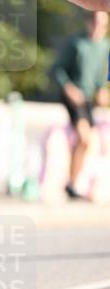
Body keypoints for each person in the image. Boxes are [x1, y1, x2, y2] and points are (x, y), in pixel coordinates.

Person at [52, 11, 109, 199]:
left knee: (91, 143)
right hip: (74, 97)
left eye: (103, 25)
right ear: (88, 23)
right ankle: (72, 183)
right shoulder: (76, 43)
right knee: (84, 138)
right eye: (96, 23)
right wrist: (68, 88)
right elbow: (57, 70)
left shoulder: (105, 47)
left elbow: (101, 76)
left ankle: (75, 183)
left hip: (89, 100)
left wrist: (101, 90)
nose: (98, 29)